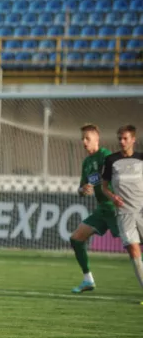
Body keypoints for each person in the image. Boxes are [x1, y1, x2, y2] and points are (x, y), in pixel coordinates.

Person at [69, 124, 118, 293]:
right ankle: (87, 279)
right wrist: (84, 189)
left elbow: (113, 175)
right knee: (76, 238)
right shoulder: (87, 162)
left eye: (87, 138)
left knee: (134, 244)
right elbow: (81, 189)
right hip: (102, 210)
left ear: (97, 139)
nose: (84, 142)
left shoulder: (105, 156)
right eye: (82, 138)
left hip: (116, 208)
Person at [101, 125, 143, 290]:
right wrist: (113, 197)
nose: (122, 141)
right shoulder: (111, 160)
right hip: (124, 213)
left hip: (141, 210)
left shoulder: (141, 159)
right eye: (119, 138)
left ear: (133, 139)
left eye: (125, 138)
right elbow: (104, 187)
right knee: (133, 249)